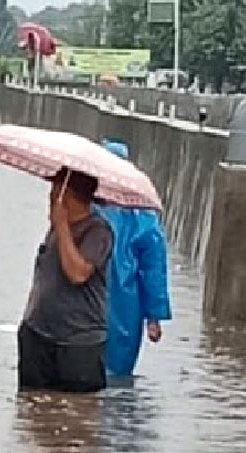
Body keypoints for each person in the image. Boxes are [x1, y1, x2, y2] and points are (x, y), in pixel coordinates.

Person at [18, 168, 114, 393]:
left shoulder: (98, 231)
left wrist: (61, 225)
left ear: (67, 196)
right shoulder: (56, 230)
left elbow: (78, 273)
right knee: (34, 410)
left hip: (78, 343)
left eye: (55, 191)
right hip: (38, 335)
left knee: (77, 415)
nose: (50, 198)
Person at [94, 139, 172, 378]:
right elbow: (153, 271)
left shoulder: (82, 207)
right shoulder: (143, 215)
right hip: (126, 306)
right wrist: (154, 316)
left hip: (86, 299)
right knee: (118, 372)